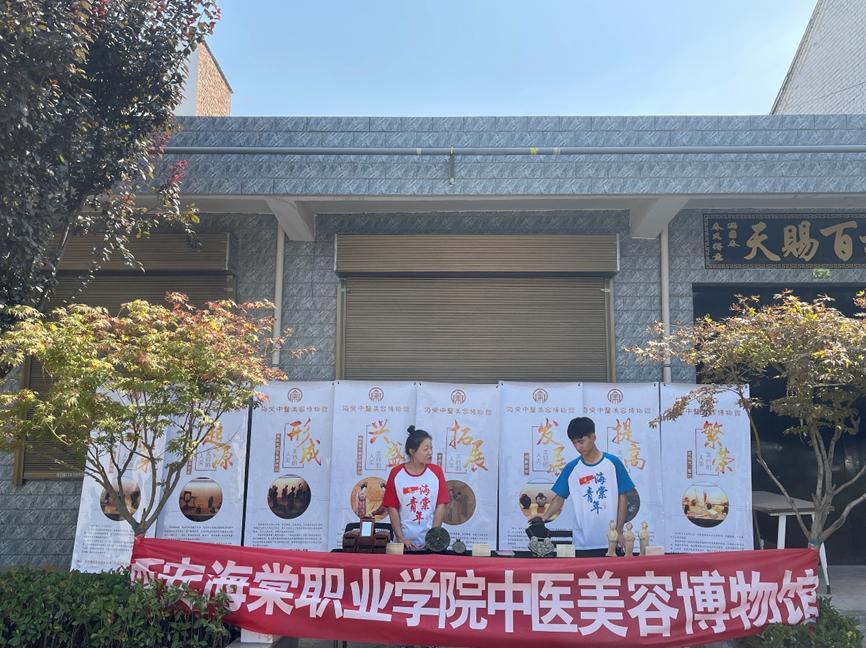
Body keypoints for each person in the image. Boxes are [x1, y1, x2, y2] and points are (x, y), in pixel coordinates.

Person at [541, 417, 636, 557]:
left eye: (581, 441)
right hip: (582, 542)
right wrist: (543, 518)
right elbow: (559, 498)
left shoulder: (613, 463)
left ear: (593, 437)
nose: (578, 447)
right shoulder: (571, 468)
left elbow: (623, 497)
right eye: (574, 443)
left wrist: (619, 531)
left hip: (611, 540)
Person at [382, 425, 449, 550]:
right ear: (412, 452)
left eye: (431, 448)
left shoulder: (436, 472)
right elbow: (392, 508)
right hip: (404, 544)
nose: (430, 452)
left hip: (430, 544)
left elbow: (441, 505)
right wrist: (401, 538)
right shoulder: (396, 474)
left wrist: (433, 539)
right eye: (425, 449)